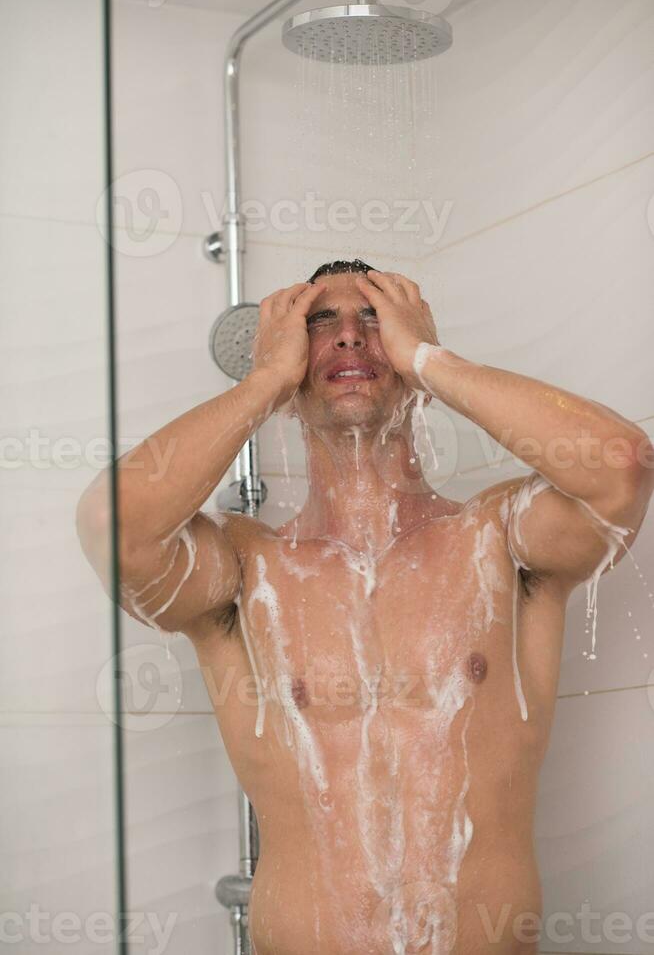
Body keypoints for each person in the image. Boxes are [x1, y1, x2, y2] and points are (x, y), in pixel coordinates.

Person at [77, 259, 653, 955]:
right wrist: (264, 382)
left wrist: (429, 359)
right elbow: (116, 525)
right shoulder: (242, 569)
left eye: (375, 320)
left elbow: (622, 464)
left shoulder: (500, 542)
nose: (349, 338)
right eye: (321, 324)